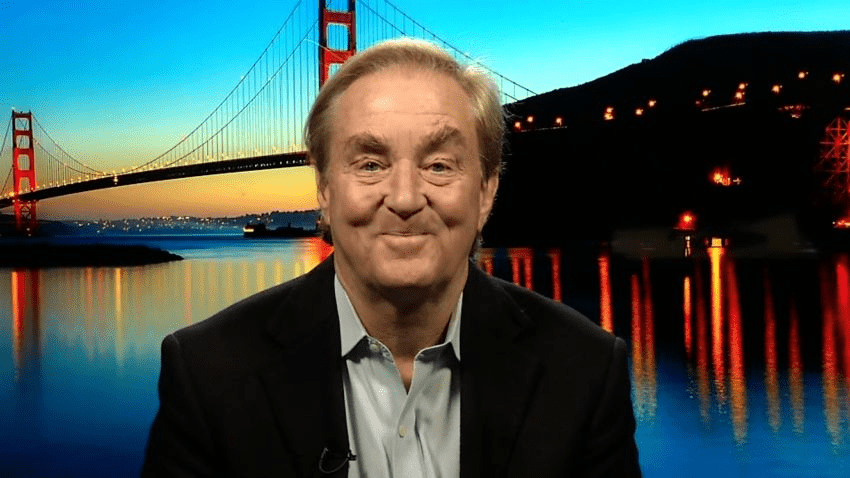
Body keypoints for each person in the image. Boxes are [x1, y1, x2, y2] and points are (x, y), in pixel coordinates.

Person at [142, 38, 641, 477]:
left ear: (486, 191)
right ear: (324, 190)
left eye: (439, 165)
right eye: (370, 164)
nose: (404, 198)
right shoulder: (208, 373)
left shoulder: (586, 370)